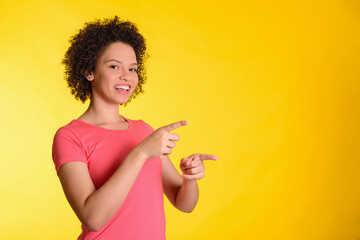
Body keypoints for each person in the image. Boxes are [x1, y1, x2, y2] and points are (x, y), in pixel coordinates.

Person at [52, 16, 218, 240]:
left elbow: (184, 203)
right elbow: (92, 218)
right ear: (89, 71)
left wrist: (190, 178)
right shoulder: (70, 136)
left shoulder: (144, 131)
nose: (126, 77)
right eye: (114, 66)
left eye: (132, 69)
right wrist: (140, 153)